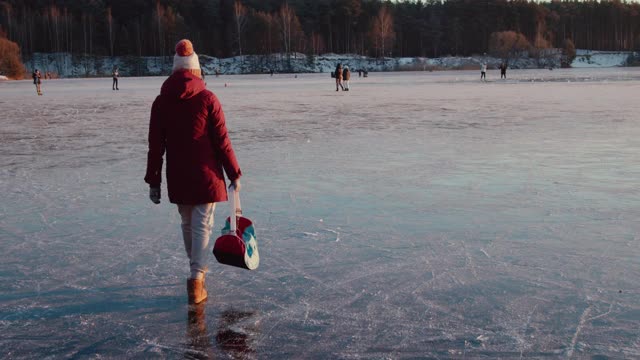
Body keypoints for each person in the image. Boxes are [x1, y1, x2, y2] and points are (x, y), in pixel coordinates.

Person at [144, 39, 243, 305]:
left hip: (177, 175)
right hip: (206, 174)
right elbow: (222, 140)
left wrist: (154, 180)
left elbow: (155, 146)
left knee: (188, 223)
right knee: (201, 224)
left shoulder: (161, 102)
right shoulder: (208, 98)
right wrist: (234, 172)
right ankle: (196, 278)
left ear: (175, 71)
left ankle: (195, 273)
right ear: (197, 69)